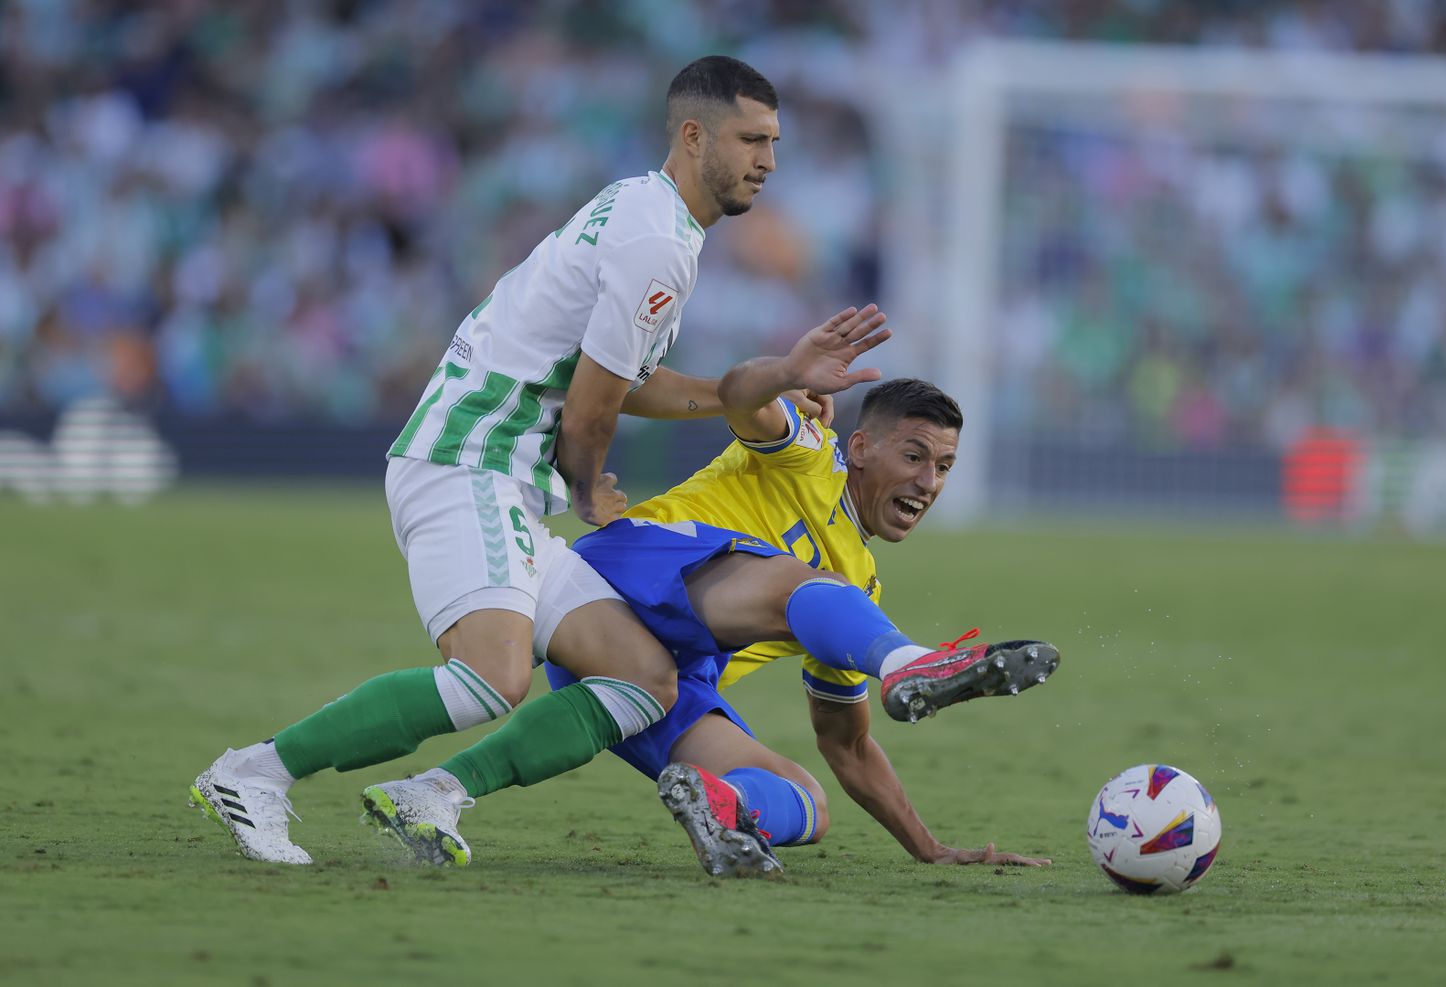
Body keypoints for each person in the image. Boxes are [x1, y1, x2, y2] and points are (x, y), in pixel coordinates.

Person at [187, 55, 826, 865]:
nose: (767, 160)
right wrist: (592, 489)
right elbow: (592, 407)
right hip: (471, 458)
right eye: (752, 139)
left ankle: (433, 795)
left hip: (504, 479)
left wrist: (746, 400)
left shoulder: (648, 215)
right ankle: (253, 772)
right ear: (694, 135)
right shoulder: (657, 242)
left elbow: (622, 380)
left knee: (644, 678)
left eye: (774, 141)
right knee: (493, 675)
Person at [360, 352, 1059, 875]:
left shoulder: (855, 597)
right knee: (798, 585)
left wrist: (929, 848)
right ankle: (910, 662)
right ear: (861, 447)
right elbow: (741, 399)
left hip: (656, 670)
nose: (928, 482)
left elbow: (845, 742)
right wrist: (789, 370)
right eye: (915, 456)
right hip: (624, 576)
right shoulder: (810, 453)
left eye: (943, 466)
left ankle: (719, 807)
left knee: (806, 800)